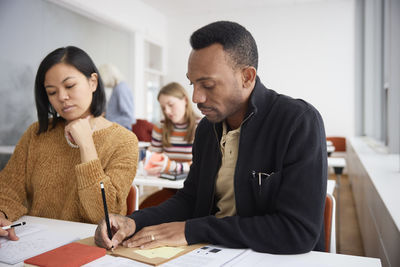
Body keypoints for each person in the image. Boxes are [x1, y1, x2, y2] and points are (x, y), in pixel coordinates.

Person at [95, 21, 327, 254]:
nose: (196, 97)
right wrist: (135, 221)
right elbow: (191, 198)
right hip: (211, 254)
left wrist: (192, 230)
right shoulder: (208, 129)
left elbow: (297, 231)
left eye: (208, 85)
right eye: (192, 83)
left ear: (247, 77)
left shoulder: (298, 122)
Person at [0, 46, 139, 242]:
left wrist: (87, 145)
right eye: (51, 92)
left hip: (89, 247)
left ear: (93, 82)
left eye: (70, 86)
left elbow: (104, 215)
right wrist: (2, 213)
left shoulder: (124, 140)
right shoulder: (37, 133)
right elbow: (8, 188)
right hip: (32, 242)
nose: (62, 97)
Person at [140, 82, 200, 208]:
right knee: (143, 209)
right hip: (171, 189)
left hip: (196, 191)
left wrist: (171, 166)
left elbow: (201, 165)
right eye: (163, 107)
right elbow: (153, 156)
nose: (167, 111)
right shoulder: (161, 127)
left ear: (184, 100)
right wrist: (149, 163)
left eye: (171, 105)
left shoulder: (201, 126)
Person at [98, 64, 135, 130]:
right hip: (116, 129)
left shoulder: (121, 88)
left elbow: (129, 118)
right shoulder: (117, 88)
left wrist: (107, 123)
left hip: (121, 131)